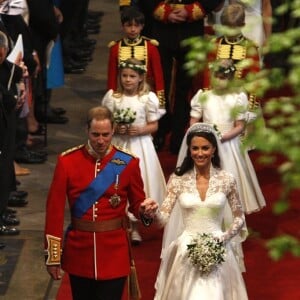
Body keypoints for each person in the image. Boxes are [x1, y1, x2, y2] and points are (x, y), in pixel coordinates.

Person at [44, 105, 158, 300]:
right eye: (95, 134)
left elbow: (138, 203)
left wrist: (146, 212)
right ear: (86, 131)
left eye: (106, 134)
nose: (101, 140)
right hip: (80, 252)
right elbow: (54, 211)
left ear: (113, 130)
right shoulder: (67, 161)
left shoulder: (127, 163)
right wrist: (53, 257)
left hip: (115, 252)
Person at [154, 122, 248, 299]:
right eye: (195, 148)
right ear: (189, 150)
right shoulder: (177, 180)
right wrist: (151, 213)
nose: (200, 153)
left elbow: (239, 217)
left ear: (214, 149)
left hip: (219, 250)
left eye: (205, 148)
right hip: (186, 251)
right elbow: (163, 218)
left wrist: (224, 237)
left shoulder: (227, 179)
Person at [135, 0, 224, 153]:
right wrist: (164, 11)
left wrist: (190, 11)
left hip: (191, 30)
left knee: (185, 86)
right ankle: (162, 128)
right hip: (160, 29)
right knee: (161, 84)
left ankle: (178, 133)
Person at [179, 58, 266, 214]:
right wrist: (199, 133)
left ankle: (230, 215)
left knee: (228, 178)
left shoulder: (237, 97)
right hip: (204, 144)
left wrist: (223, 137)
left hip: (227, 145)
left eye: (223, 78)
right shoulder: (203, 95)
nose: (218, 81)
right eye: (216, 77)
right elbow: (194, 120)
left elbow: (239, 126)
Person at [102, 58, 166, 244]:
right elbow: (106, 121)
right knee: (115, 183)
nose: (127, 80)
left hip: (140, 146)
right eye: (124, 76)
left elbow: (153, 125)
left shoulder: (147, 99)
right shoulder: (113, 98)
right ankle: (118, 225)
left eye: (132, 76)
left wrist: (140, 130)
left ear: (140, 78)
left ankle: (135, 227)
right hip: (119, 145)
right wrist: (116, 128)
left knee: (140, 184)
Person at [107, 6, 166, 111]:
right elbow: (112, 76)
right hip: (123, 93)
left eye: (136, 25)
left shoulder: (151, 47)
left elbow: (158, 75)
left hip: (146, 93)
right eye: (129, 26)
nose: (133, 29)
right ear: (123, 26)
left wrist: (160, 100)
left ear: (142, 26)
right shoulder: (115, 48)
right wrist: (111, 99)